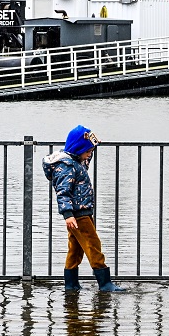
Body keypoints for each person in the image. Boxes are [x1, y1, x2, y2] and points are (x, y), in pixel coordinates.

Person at [42, 125, 124, 292]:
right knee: (93, 245)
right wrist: (68, 215)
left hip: (81, 212)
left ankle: (71, 285)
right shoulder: (67, 167)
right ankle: (105, 283)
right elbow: (62, 193)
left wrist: (92, 143)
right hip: (78, 214)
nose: (90, 154)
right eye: (88, 151)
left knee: (76, 248)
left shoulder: (76, 162)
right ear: (78, 149)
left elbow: (85, 160)